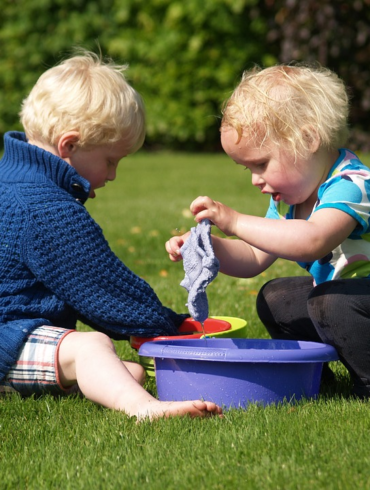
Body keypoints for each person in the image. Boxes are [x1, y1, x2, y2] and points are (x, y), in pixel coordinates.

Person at [0, 49, 223, 420]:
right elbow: (105, 290)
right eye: (110, 161)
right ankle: (146, 409)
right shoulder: (45, 207)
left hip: (16, 334)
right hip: (8, 336)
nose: (113, 175)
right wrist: (172, 326)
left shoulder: (12, 178)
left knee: (126, 372)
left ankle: (105, 386)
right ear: (69, 146)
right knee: (92, 348)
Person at [166, 63, 370, 399]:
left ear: (307, 140)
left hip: (356, 301)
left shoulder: (351, 184)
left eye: (261, 164)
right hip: (343, 303)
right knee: (275, 297)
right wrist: (206, 245)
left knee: (329, 302)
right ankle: (315, 378)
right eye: (247, 168)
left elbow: (312, 240)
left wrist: (234, 221)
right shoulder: (291, 201)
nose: (254, 179)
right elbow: (252, 257)